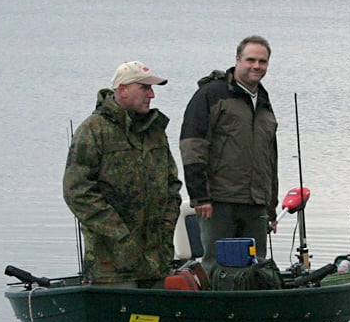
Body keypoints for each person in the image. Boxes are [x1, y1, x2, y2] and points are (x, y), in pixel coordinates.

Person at [63, 61, 182, 287]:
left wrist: (166, 228)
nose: (152, 94)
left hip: (157, 261)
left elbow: (172, 185)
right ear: (123, 89)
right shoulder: (93, 130)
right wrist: (121, 235)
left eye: (152, 88)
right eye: (144, 88)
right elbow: (76, 192)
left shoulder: (155, 131)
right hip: (111, 266)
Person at [179, 35, 278, 273]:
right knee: (217, 263)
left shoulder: (263, 101)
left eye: (262, 61)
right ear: (237, 60)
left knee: (255, 266)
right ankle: (215, 307)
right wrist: (200, 196)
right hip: (218, 201)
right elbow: (192, 145)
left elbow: (270, 158)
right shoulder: (212, 94)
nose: (256, 66)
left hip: (256, 204)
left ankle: (250, 309)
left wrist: (271, 207)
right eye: (250, 60)